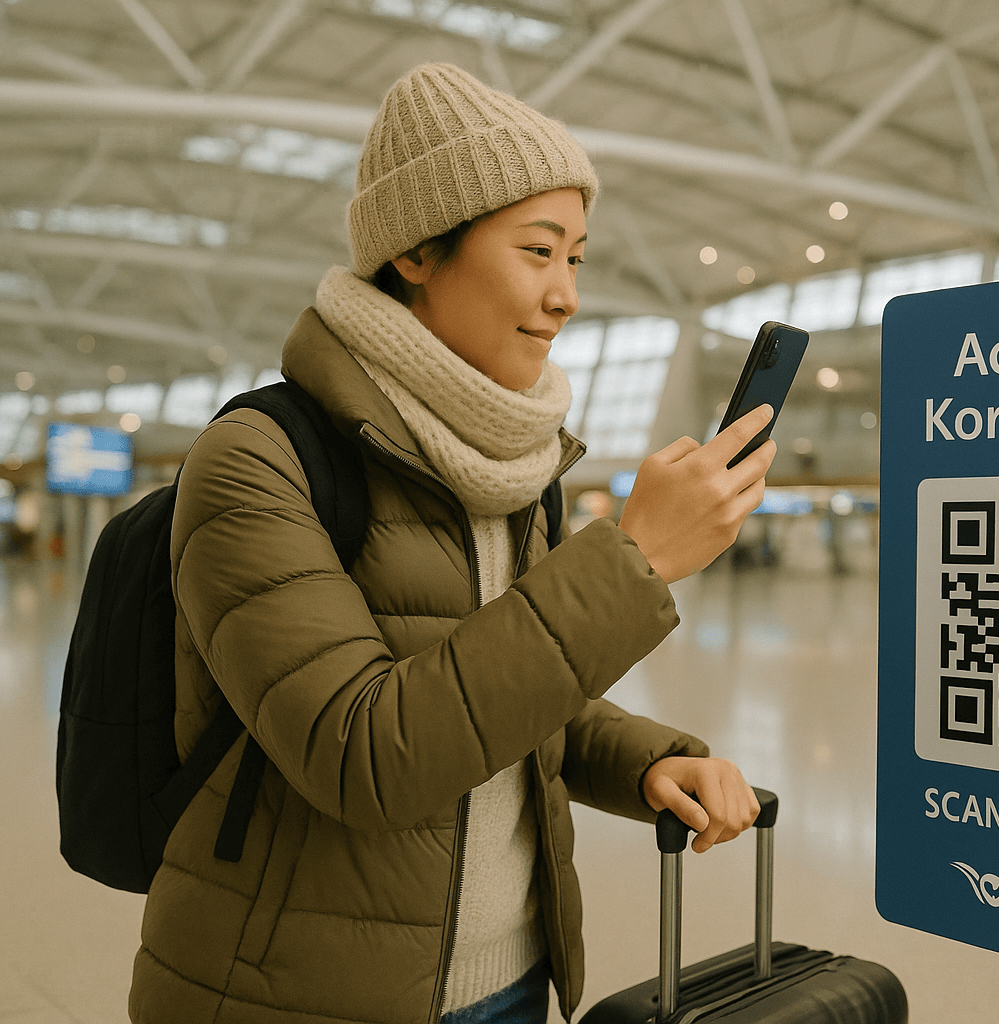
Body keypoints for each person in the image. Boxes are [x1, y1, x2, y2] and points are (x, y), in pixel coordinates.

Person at [129, 63, 778, 1024]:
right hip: (295, 995)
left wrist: (649, 761)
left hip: (511, 984)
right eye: (537, 251)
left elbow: (517, 707)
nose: (565, 296)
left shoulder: (518, 472)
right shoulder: (257, 461)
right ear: (417, 253)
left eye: (578, 259)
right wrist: (630, 559)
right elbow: (365, 754)